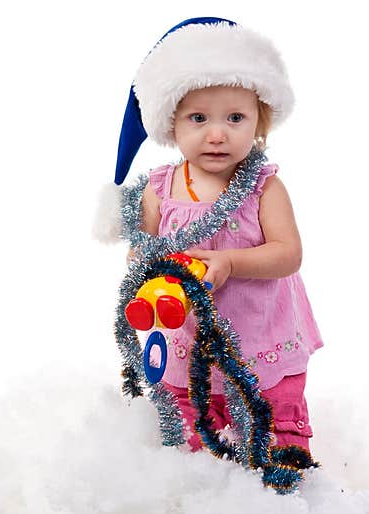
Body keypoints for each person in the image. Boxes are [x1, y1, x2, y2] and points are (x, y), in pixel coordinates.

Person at [96, 17, 323, 463]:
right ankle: (204, 503)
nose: (217, 134)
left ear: (261, 121)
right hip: (185, 339)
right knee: (188, 443)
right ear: (170, 123)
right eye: (198, 118)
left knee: (273, 434)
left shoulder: (264, 187)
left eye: (235, 117)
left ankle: (283, 490)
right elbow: (139, 250)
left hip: (259, 339)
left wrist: (232, 264)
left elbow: (288, 253)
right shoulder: (160, 188)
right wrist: (147, 266)